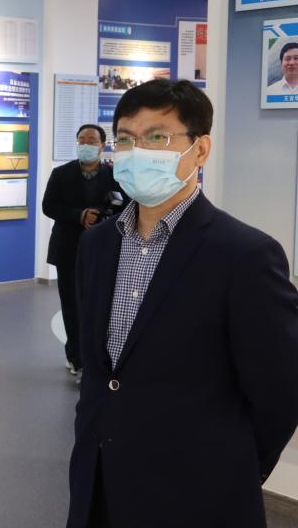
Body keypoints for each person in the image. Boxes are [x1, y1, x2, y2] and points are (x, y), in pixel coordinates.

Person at [68, 80, 298, 527]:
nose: (137, 152)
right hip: (100, 479)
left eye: (157, 137)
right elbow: (100, 368)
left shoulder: (245, 255)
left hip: (198, 490)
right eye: (126, 139)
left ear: (200, 150)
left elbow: (280, 391)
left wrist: (235, 467)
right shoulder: (97, 244)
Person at [42, 124, 123, 380]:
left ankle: (98, 356)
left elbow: (124, 206)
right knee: (72, 305)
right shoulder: (61, 174)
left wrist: (102, 217)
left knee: (101, 305)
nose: (86, 144)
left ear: (102, 145)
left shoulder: (115, 175)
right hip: (68, 249)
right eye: (81, 140)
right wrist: (79, 215)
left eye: (92, 140)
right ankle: (76, 357)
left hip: (103, 249)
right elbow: (49, 206)